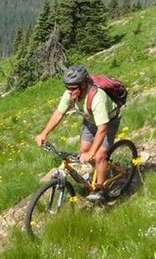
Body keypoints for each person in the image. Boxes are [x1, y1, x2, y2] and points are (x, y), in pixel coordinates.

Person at [35, 65, 121, 201]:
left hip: (108, 123)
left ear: (83, 85)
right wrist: (44, 133)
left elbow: (102, 129)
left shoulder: (97, 97)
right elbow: (58, 113)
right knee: (84, 150)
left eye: (73, 88)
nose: (69, 91)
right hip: (90, 121)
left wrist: (92, 153)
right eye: (67, 87)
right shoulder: (70, 93)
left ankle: (100, 188)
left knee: (98, 156)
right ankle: (102, 170)